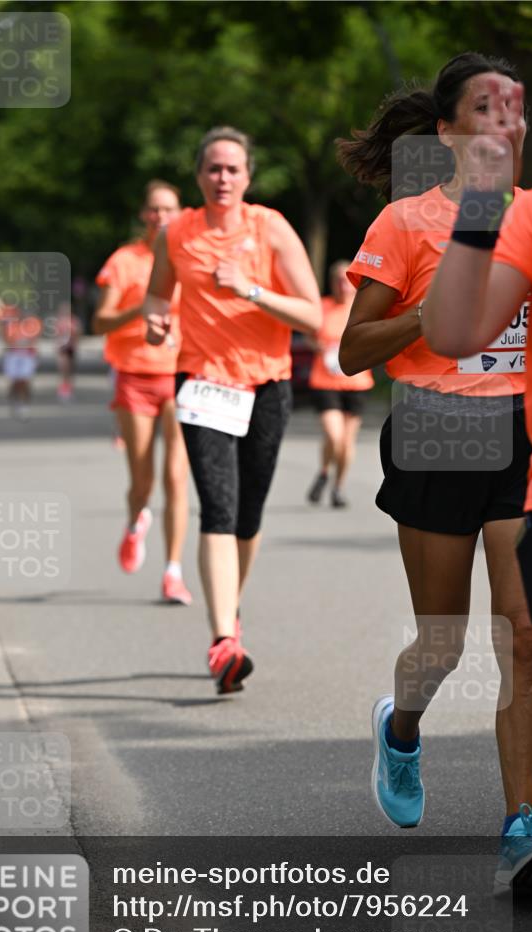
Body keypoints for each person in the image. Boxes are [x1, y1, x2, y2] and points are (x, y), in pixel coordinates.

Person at [337, 52, 532, 895]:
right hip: (435, 430)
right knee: (440, 642)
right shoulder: (405, 222)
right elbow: (350, 351)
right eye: (484, 109)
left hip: (523, 435)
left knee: (524, 636)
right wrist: (421, 320)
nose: (504, 124)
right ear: (445, 131)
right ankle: (400, 728)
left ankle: (520, 831)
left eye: (514, 110)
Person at [422, 46, 532, 917]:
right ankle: (417, 735)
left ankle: (520, 824)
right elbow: (447, 333)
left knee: (521, 640)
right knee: (467, 642)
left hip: (524, 458)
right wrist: (484, 203)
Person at [143, 126, 321, 693]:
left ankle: (231, 611)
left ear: (248, 177)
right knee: (217, 508)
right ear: (199, 175)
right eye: (213, 168)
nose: (223, 178)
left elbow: (313, 315)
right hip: (202, 384)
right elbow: (156, 295)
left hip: (266, 385)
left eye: (233, 169)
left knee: (248, 516)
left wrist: (249, 289)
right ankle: (223, 640)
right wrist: (155, 321)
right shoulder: (176, 232)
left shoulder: (270, 227)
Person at [93, 180, 192, 605]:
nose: (160, 216)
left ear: (180, 213)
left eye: (168, 209)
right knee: (142, 480)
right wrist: (142, 307)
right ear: (143, 214)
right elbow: (100, 321)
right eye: (154, 209)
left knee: (176, 477)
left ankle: (173, 571)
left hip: (182, 374)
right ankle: (136, 520)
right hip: (134, 376)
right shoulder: (125, 261)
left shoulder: (190, 257)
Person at [306, 260, 374, 508]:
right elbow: (308, 334)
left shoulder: (364, 308)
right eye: (338, 281)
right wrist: (319, 346)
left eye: (346, 280)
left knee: (346, 441)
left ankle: (338, 487)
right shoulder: (322, 307)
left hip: (356, 382)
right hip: (325, 381)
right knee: (334, 436)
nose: (342, 285)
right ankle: (325, 471)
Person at [2, 309, 42, 420]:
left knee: (25, 381)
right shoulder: (12, 327)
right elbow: (7, 341)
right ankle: (14, 400)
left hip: (27, 356)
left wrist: (35, 355)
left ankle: (25, 404)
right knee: (15, 381)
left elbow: (34, 342)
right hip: (14, 356)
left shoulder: (31, 326)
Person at [54, 302, 82, 401]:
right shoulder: (59, 321)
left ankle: (69, 389)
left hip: (70, 348)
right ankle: (63, 389)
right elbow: (56, 335)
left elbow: (78, 334)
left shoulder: (73, 321)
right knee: (63, 368)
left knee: (70, 370)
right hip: (62, 348)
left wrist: (75, 343)